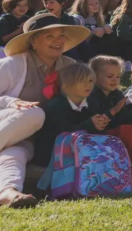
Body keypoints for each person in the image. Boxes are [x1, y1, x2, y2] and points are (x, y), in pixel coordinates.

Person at [0, 15, 90, 207]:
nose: (58, 41)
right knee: (34, 114)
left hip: (33, 139)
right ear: (33, 41)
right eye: (50, 36)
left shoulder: (70, 67)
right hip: (7, 121)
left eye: (61, 36)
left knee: (16, 153)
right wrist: (11, 102)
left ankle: (9, 193)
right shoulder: (13, 65)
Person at [32, 62, 110, 167]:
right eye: (82, 81)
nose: (88, 85)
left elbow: (93, 130)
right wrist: (90, 124)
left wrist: (101, 124)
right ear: (66, 85)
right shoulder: (57, 106)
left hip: (81, 151)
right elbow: (62, 134)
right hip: (53, 155)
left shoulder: (92, 103)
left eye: (91, 80)